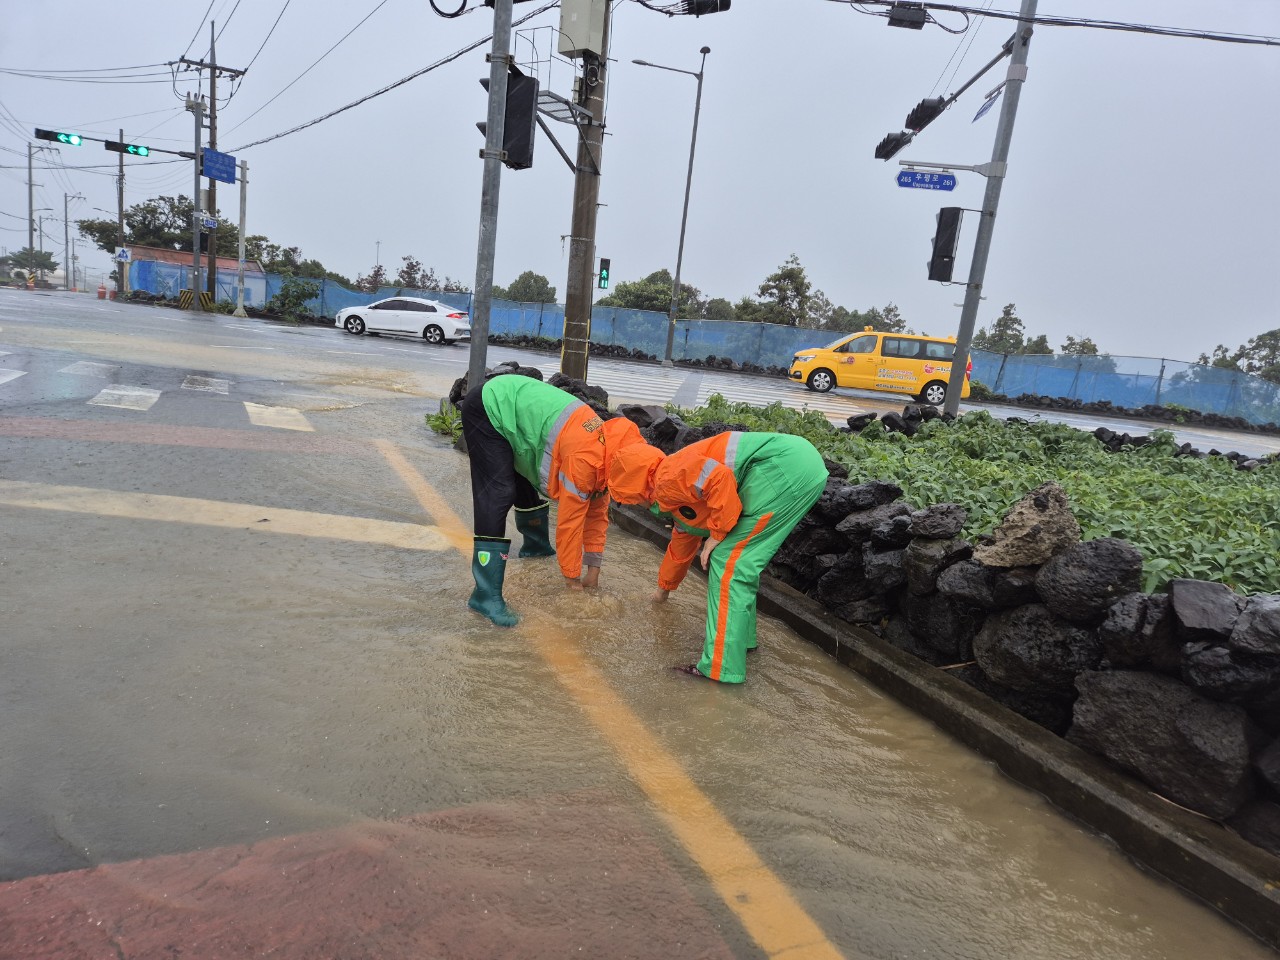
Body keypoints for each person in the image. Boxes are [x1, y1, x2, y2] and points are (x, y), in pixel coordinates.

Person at [608, 431, 828, 683]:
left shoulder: (666, 478)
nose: (635, 505)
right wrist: (662, 592)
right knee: (739, 562)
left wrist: (718, 531)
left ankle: (720, 669)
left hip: (783, 470)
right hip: (796, 464)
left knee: (727, 563)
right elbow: (681, 544)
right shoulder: (676, 492)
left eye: (629, 498)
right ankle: (742, 643)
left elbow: (719, 477)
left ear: (635, 486)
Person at [460, 374, 646, 627]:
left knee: (523, 481)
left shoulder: (611, 454)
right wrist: (572, 584)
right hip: (490, 405)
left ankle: (535, 548)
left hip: (519, 412)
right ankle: (484, 596)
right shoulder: (586, 461)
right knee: (499, 492)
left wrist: (593, 573)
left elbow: (596, 517)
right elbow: (569, 524)